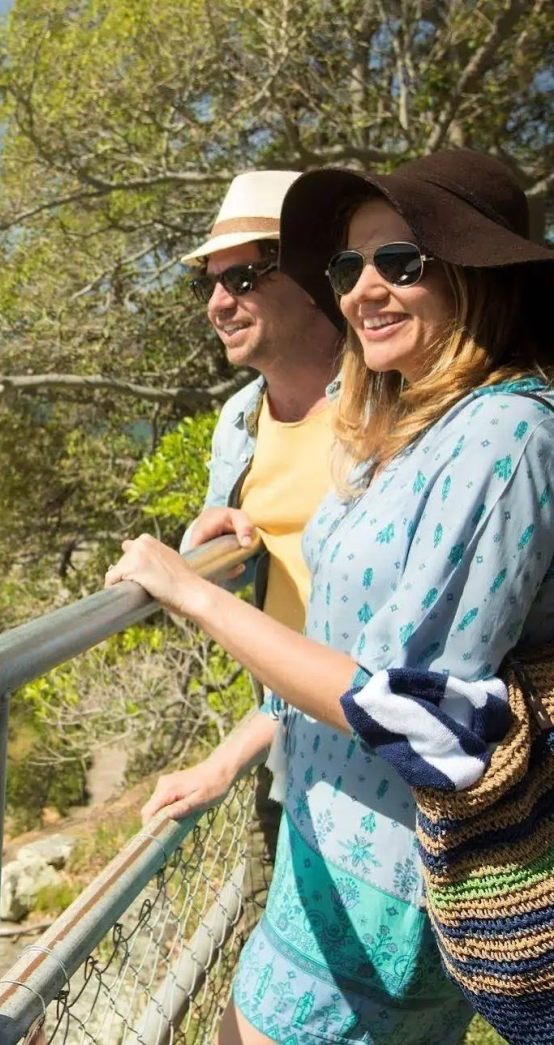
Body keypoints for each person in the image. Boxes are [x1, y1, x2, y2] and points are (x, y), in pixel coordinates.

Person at [109, 148, 554, 1044]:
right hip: (339, 842)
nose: (364, 289)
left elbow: (421, 715)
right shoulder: (414, 428)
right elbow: (354, 627)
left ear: (477, 275)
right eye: (349, 266)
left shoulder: (502, 438)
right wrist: (230, 752)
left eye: (400, 262)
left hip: (396, 876)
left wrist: (192, 595)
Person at [154, 170, 344, 861]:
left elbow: (380, 641)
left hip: (379, 751)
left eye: (242, 279)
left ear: (312, 277)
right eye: (206, 283)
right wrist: (204, 542)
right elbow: (228, 559)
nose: (216, 304)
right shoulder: (238, 417)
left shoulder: (387, 410)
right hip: (288, 744)